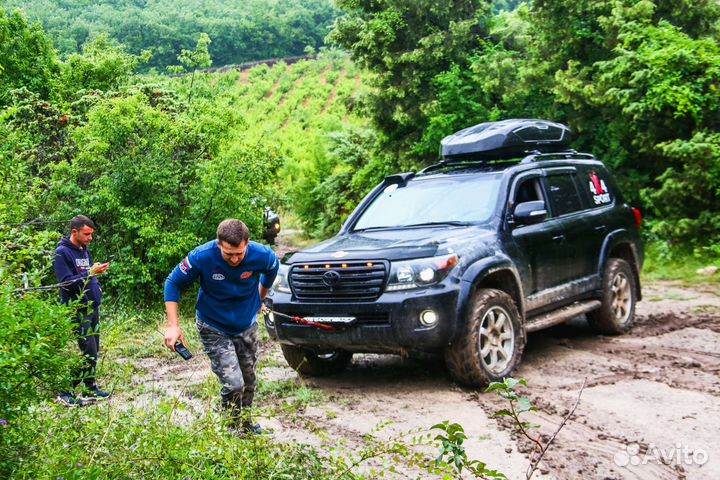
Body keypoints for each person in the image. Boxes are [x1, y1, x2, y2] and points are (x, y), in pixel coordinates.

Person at [164, 219, 279, 433]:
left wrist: (259, 298)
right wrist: (173, 325)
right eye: (228, 254)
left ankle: (244, 423)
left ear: (248, 243)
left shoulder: (262, 255)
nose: (234, 259)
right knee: (234, 383)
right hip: (213, 325)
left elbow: (272, 270)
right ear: (219, 244)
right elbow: (173, 282)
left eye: (239, 254)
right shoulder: (202, 256)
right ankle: (229, 427)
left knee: (249, 381)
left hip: (246, 325)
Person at [53, 215, 110, 406]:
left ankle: (89, 389)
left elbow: (87, 275)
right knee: (89, 351)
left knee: (94, 349)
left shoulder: (84, 250)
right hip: (76, 308)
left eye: (91, 234)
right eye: (87, 234)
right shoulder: (62, 253)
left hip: (92, 306)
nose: (90, 238)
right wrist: (91, 273)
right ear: (74, 232)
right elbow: (66, 282)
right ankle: (64, 390)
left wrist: (97, 283)